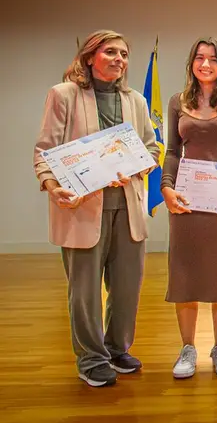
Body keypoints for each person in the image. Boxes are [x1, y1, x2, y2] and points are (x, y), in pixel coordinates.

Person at [33, 30, 160, 387]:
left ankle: (117, 349)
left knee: (126, 287)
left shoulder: (135, 99)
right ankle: (90, 359)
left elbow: (151, 149)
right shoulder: (63, 95)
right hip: (82, 208)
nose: (119, 59)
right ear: (90, 57)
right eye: (110, 52)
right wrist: (52, 187)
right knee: (85, 291)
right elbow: (45, 151)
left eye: (124, 53)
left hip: (128, 207)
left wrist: (138, 165)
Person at [161, 37, 217, 379]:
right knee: (184, 276)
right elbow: (171, 151)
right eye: (199, 57)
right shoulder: (177, 101)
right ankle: (187, 348)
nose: (205, 64)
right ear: (192, 62)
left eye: (213, 59)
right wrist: (166, 188)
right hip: (186, 201)